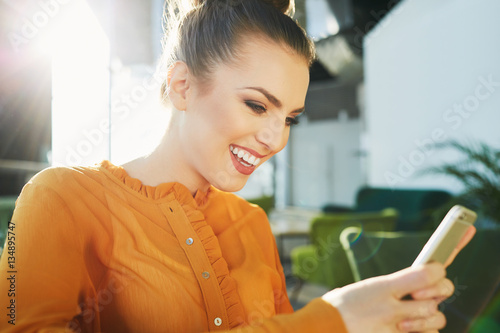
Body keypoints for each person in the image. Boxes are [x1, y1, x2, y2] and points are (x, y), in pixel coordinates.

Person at [0, 0, 475, 332]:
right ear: (182, 85)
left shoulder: (251, 224)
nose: (275, 139)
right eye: (255, 105)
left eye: (289, 118)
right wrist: (330, 320)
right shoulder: (57, 198)